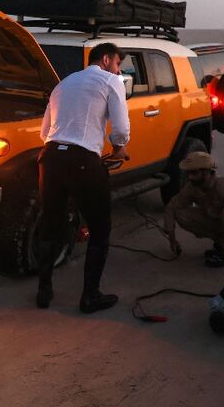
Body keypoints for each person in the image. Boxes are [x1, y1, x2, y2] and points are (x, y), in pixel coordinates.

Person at [36, 42, 130, 313]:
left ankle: (44, 290)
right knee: (100, 229)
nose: (118, 70)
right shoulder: (111, 81)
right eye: (117, 64)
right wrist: (120, 146)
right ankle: (90, 296)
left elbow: (45, 131)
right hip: (82, 162)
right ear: (106, 58)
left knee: (50, 224)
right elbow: (121, 128)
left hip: (50, 158)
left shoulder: (63, 84)